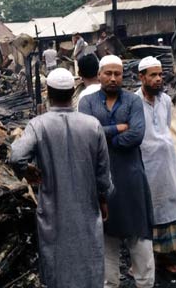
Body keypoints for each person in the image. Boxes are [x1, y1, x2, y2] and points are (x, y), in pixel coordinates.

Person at [9, 68, 113, 288]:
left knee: (57, 263)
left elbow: (16, 156)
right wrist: (103, 199)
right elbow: (103, 174)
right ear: (73, 93)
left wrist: (26, 171)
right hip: (87, 206)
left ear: (48, 93)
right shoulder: (92, 125)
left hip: (53, 209)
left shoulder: (38, 125)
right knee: (88, 258)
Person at [79, 55, 154, 288]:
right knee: (105, 240)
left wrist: (104, 138)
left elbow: (137, 135)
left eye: (117, 74)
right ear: (99, 75)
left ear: (123, 75)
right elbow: (86, 136)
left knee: (139, 238)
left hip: (131, 179)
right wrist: (117, 129)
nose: (113, 78)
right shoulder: (87, 102)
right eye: (108, 73)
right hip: (100, 182)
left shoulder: (133, 101)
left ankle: (145, 283)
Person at [136, 57, 176, 267]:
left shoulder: (165, 101)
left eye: (160, 75)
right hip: (146, 165)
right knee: (149, 209)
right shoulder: (133, 102)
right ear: (142, 77)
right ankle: (145, 260)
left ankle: (166, 256)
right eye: (153, 75)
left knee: (169, 207)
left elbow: (165, 128)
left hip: (167, 165)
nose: (159, 79)